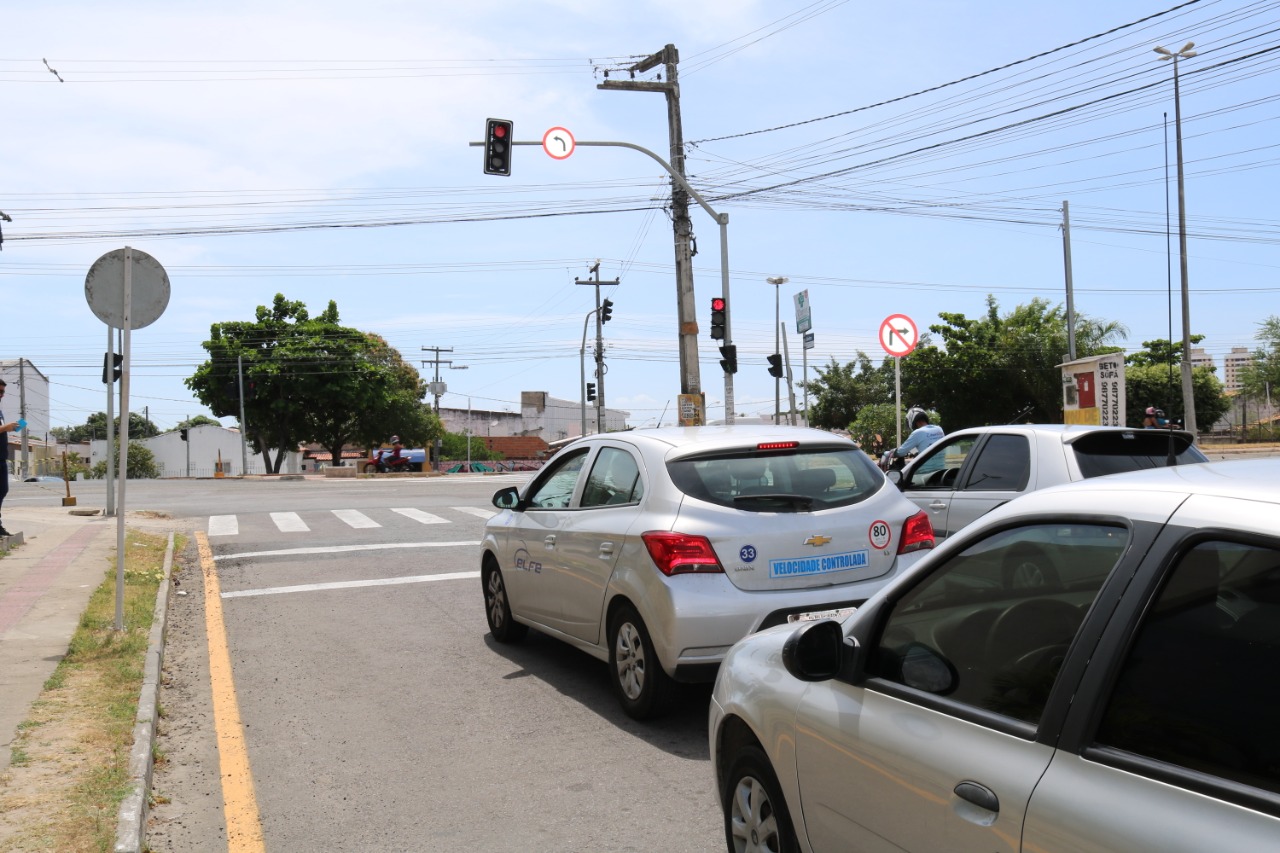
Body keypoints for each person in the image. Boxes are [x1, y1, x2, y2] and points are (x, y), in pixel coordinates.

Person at [0, 379, 27, 537]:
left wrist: (11, 427)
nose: (1, 395)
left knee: (3, 489)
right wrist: (6, 427)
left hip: (2, 458)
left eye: (3, 392)